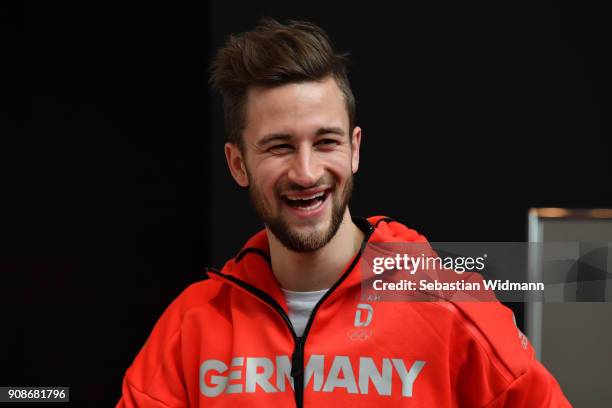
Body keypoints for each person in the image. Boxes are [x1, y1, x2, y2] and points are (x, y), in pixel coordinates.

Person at [117, 19, 570, 407]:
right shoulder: (190, 327)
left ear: (354, 149)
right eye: (279, 147)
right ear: (238, 164)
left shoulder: (449, 306)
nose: (307, 171)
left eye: (326, 142)